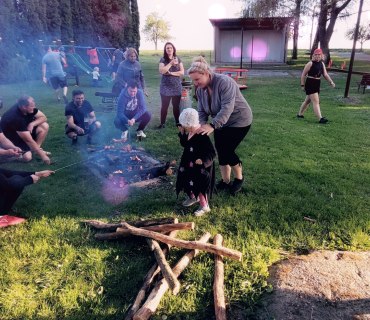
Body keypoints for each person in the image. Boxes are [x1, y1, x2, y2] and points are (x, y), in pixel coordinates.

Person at [187, 56, 253, 195]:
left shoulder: (224, 82)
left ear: (207, 73)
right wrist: (202, 125)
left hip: (239, 120)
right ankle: (225, 181)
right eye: (193, 80)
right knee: (220, 150)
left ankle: (239, 179)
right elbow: (201, 110)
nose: (195, 83)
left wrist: (212, 125)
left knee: (227, 150)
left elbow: (227, 108)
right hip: (220, 122)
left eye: (197, 79)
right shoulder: (200, 90)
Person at [176, 108, 216, 217]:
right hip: (188, 164)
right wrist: (182, 134)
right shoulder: (190, 133)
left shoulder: (202, 135)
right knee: (187, 180)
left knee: (199, 184)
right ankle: (192, 196)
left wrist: (203, 161)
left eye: (185, 125)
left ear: (191, 125)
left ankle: (204, 206)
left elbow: (212, 153)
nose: (183, 127)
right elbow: (186, 144)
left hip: (199, 168)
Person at [0, 96, 51, 164]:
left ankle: (36, 150)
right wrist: (44, 157)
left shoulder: (27, 108)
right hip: (12, 138)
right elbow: (28, 140)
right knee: (27, 157)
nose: (34, 107)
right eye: (31, 106)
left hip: (22, 132)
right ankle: (8, 157)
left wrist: (32, 124)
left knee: (44, 125)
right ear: (24, 107)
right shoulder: (16, 117)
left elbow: (43, 117)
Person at [297, 48, 335, 123]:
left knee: (307, 101)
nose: (317, 56)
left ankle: (300, 114)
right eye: (316, 55)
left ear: (321, 56)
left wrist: (331, 82)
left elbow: (325, 74)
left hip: (317, 83)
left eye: (319, 55)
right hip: (310, 83)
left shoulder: (322, 64)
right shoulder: (310, 63)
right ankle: (320, 118)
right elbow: (303, 75)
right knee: (316, 101)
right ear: (313, 55)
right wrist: (302, 85)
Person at [158, 42, 185, 128]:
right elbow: (162, 71)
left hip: (176, 87)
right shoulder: (163, 60)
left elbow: (182, 72)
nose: (169, 49)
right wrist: (170, 63)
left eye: (170, 48)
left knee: (176, 106)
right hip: (165, 87)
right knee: (164, 107)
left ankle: (177, 123)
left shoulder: (178, 59)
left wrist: (171, 73)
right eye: (167, 48)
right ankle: (162, 124)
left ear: (173, 49)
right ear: (165, 50)